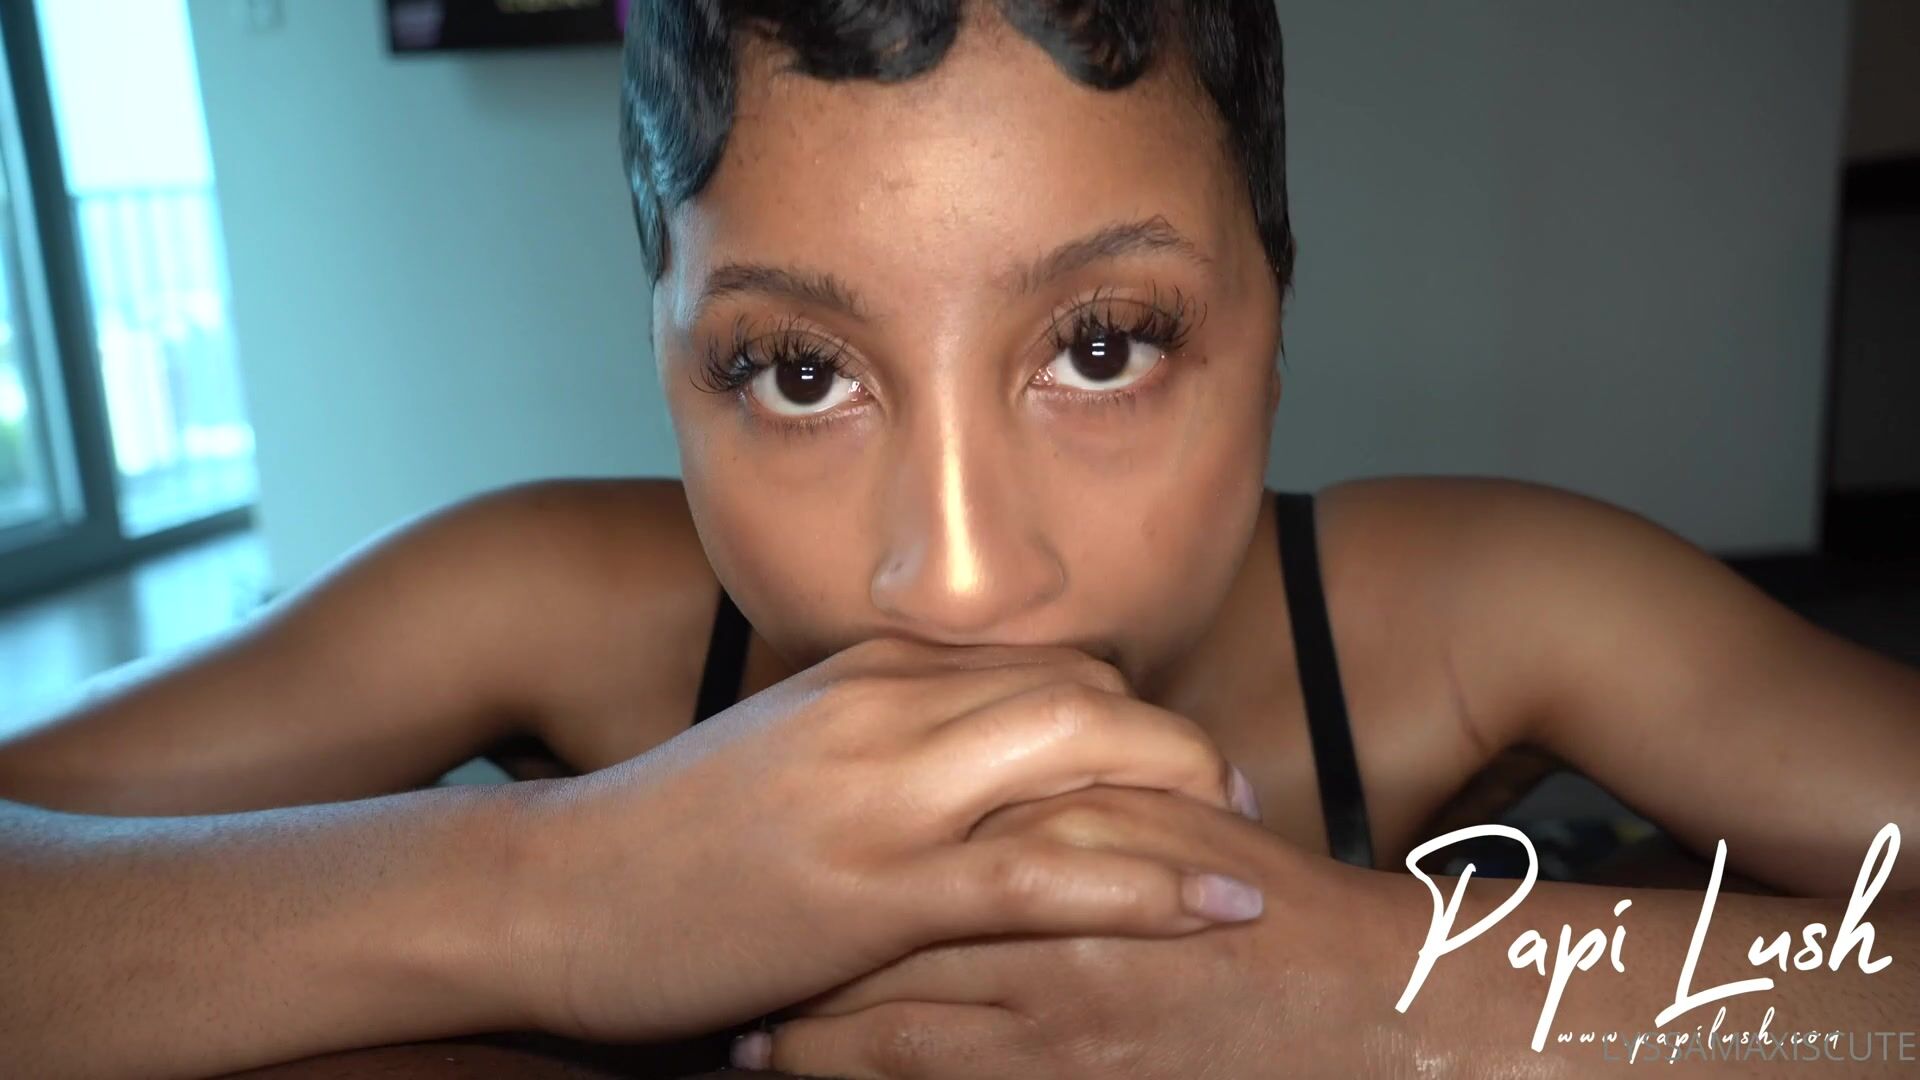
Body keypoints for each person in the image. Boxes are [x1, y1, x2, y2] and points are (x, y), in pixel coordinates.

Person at [4, 2, 1917, 1076]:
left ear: (1276, 315)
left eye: (1103, 345)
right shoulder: (542, 599)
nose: (961, 573)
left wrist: (1395, 988)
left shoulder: (1479, 611)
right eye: (797, 372)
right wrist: (561, 892)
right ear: (659, 356)